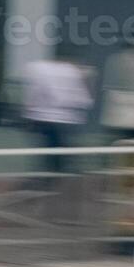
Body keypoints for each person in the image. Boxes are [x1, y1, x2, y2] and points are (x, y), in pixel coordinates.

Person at [20, 48, 95, 177]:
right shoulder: (73, 71)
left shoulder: (40, 69)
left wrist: (28, 110)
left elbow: (35, 92)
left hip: (43, 115)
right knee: (61, 145)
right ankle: (57, 173)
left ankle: (50, 174)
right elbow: (83, 97)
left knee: (50, 146)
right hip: (67, 117)